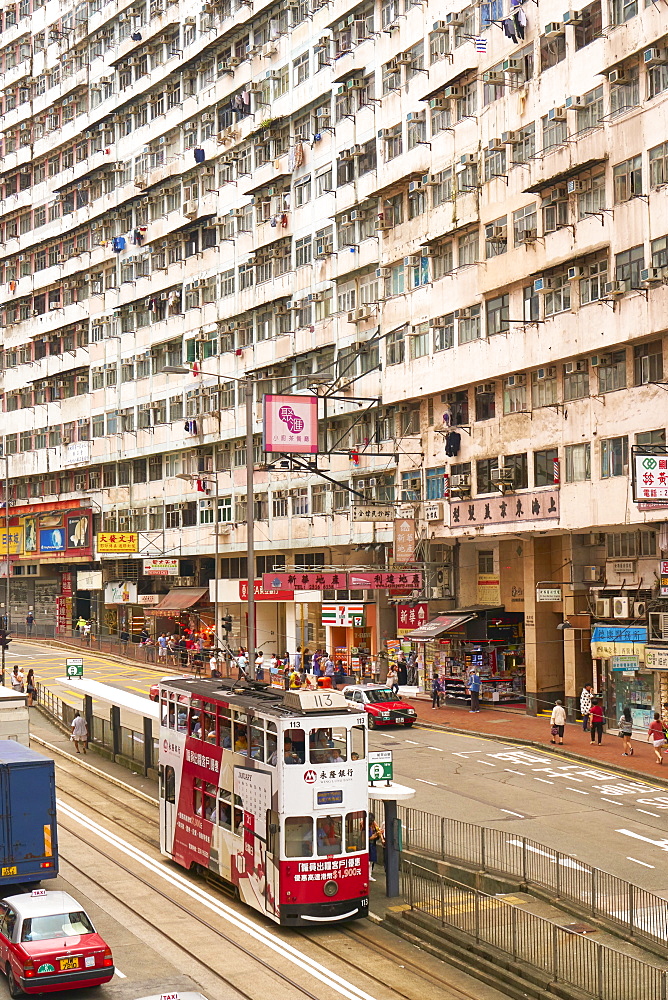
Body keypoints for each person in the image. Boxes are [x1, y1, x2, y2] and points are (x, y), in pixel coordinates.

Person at [369, 813, 384, 881]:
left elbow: (378, 831)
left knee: (371, 861)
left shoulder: (374, 825)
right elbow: (369, 838)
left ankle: (369, 875)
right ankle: (367, 874)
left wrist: (381, 837)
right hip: (367, 845)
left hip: (372, 845)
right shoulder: (364, 825)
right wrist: (376, 834)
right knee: (367, 862)